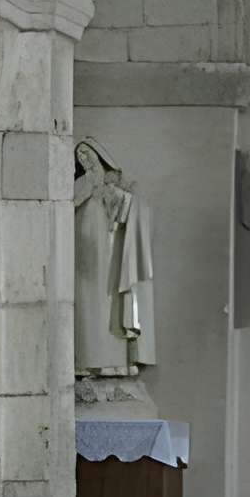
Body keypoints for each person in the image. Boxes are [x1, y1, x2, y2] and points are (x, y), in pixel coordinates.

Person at [73, 137, 157, 379]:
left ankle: (114, 361)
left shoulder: (112, 191)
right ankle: (89, 361)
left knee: (110, 310)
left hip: (108, 262)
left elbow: (134, 212)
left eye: (88, 154)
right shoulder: (83, 183)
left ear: (101, 159)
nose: (84, 159)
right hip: (84, 262)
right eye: (81, 156)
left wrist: (128, 199)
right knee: (89, 310)